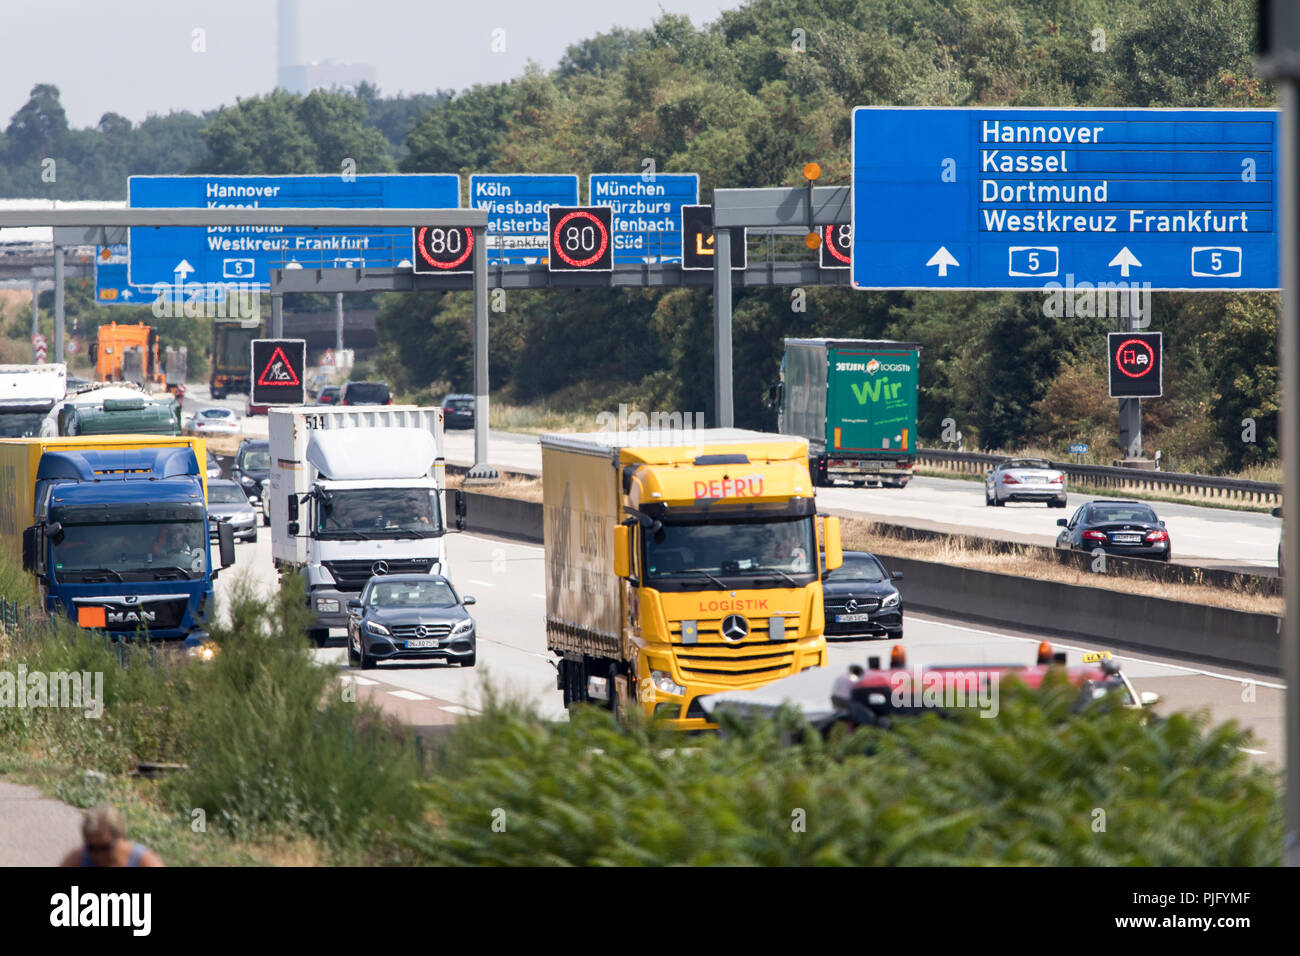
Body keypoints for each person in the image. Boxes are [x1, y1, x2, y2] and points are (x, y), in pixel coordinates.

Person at [60, 804, 164, 868]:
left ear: (121, 838)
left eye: (105, 848)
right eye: (91, 848)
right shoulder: (77, 861)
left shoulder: (144, 862)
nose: (98, 856)